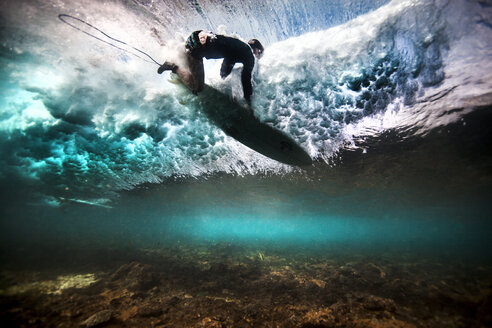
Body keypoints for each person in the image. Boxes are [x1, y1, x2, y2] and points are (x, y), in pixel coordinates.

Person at [158, 30, 264, 104]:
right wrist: (248, 101)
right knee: (197, 87)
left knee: (190, 52)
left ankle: (171, 52)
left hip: (197, 37)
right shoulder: (248, 57)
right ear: (255, 50)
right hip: (198, 49)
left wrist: (224, 74)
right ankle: (174, 67)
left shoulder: (240, 44)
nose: (257, 55)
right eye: (258, 52)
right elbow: (245, 80)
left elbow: (229, 61)